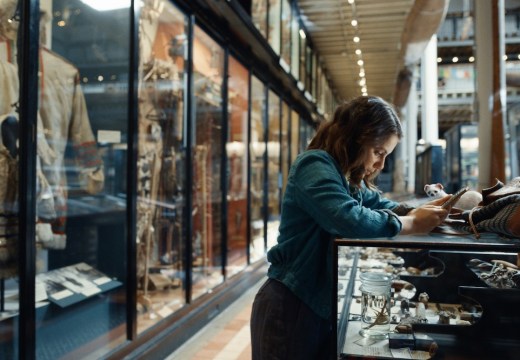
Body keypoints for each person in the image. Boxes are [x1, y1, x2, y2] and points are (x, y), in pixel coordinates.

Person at [250, 95, 449, 359]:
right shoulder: (314, 165)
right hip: (289, 305)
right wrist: (411, 222)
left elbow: (377, 202)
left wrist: (422, 210)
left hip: (315, 307)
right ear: (357, 137)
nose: (380, 165)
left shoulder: (343, 175)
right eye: (378, 152)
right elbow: (349, 218)